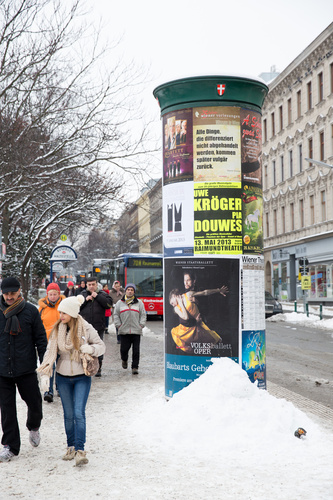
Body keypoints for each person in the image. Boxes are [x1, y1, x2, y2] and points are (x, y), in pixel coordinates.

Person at [37, 295, 105, 466]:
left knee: (78, 413)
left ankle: (80, 450)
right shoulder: (57, 329)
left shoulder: (86, 328)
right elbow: (49, 352)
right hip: (63, 377)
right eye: (60, 312)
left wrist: (90, 348)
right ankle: (71, 446)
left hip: (82, 376)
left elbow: (101, 346)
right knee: (68, 415)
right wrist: (45, 373)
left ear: (73, 313)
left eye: (64, 313)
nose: (61, 316)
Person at [0, 277, 47, 462]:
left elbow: (41, 339)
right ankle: (10, 446)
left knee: (34, 402)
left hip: (25, 368)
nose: (10, 297)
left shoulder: (30, 311)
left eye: (13, 293)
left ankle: (34, 426)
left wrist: (45, 364)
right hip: (3, 369)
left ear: (20, 291)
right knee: (7, 409)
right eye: (6, 293)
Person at [169, 282, 228, 353]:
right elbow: (186, 317)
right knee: (192, 349)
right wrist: (181, 303)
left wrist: (218, 290)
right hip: (188, 330)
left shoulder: (188, 295)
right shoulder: (176, 308)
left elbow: (204, 292)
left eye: (172, 303)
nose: (173, 305)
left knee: (217, 339)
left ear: (174, 296)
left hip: (199, 325)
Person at [79, 278, 112, 377]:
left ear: (97, 284)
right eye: (89, 284)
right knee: (84, 348)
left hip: (98, 327)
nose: (91, 286)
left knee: (98, 347)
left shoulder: (102, 294)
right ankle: (85, 367)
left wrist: (97, 297)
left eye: (93, 284)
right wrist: (85, 301)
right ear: (86, 285)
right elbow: (75, 307)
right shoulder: (82, 295)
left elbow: (109, 304)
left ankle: (98, 368)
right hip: (84, 328)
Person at [38, 282, 66, 403]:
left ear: (59, 294)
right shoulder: (42, 308)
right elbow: (37, 325)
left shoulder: (64, 306)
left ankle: (59, 388)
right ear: (47, 295)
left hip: (62, 340)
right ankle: (48, 390)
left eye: (55, 294)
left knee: (60, 365)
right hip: (47, 342)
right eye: (51, 294)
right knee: (50, 366)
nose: (53, 296)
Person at [114, 283, 146, 375]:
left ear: (134, 292)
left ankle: (135, 367)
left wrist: (141, 325)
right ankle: (124, 360)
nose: (130, 291)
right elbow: (116, 314)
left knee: (136, 350)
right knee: (124, 349)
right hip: (124, 330)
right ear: (125, 291)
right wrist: (118, 325)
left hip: (136, 330)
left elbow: (143, 315)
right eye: (128, 290)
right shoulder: (119, 303)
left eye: (132, 290)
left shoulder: (139, 303)